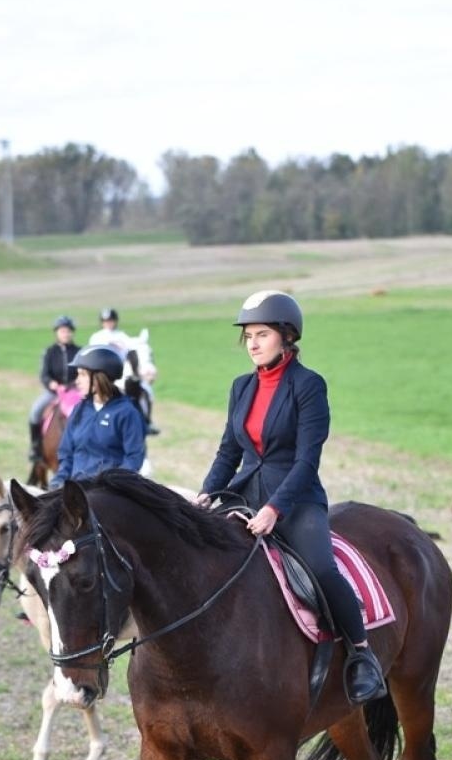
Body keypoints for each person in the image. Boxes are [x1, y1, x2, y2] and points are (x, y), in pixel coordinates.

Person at [196, 290, 386, 704]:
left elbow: (306, 460)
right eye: (248, 336)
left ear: (287, 336)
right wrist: (206, 494)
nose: (253, 344)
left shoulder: (308, 385)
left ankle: (361, 655)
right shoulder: (241, 387)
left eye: (262, 334)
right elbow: (229, 451)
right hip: (243, 494)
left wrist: (274, 508)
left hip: (296, 500)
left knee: (322, 569)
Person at [49, 346, 146, 487]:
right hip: (78, 489)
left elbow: (133, 458)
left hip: (109, 490)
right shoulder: (79, 409)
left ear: (99, 377)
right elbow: (66, 452)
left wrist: (112, 484)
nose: (77, 381)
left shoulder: (127, 413)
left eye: (83, 375)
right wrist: (60, 479)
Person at [89, 306, 160, 435]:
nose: (108, 323)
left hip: (122, 373)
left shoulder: (122, 336)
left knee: (145, 390)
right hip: (103, 373)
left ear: (115, 321)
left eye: (111, 320)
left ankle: (146, 421)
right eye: (106, 321)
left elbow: (133, 352)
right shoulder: (96, 337)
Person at [29, 315, 81, 466]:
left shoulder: (79, 351)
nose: (66, 334)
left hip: (75, 392)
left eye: (68, 331)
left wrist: (73, 384)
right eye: (62, 331)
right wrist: (51, 384)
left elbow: (83, 372)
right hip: (53, 392)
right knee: (35, 412)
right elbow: (44, 374)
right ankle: (36, 448)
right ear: (57, 332)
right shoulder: (49, 352)